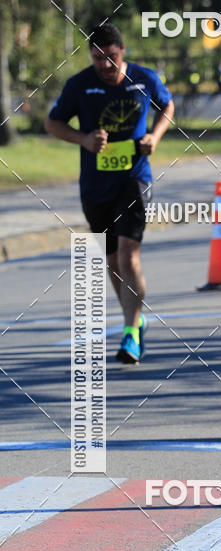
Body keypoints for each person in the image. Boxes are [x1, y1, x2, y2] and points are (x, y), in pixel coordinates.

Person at [45, 23, 174, 363]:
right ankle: (136, 320)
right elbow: (52, 123)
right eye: (98, 58)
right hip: (95, 185)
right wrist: (84, 140)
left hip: (134, 179)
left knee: (129, 254)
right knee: (114, 259)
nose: (105, 65)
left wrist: (154, 137)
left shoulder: (144, 79)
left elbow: (167, 106)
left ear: (123, 51)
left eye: (111, 57)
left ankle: (130, 333)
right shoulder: (80, 85)